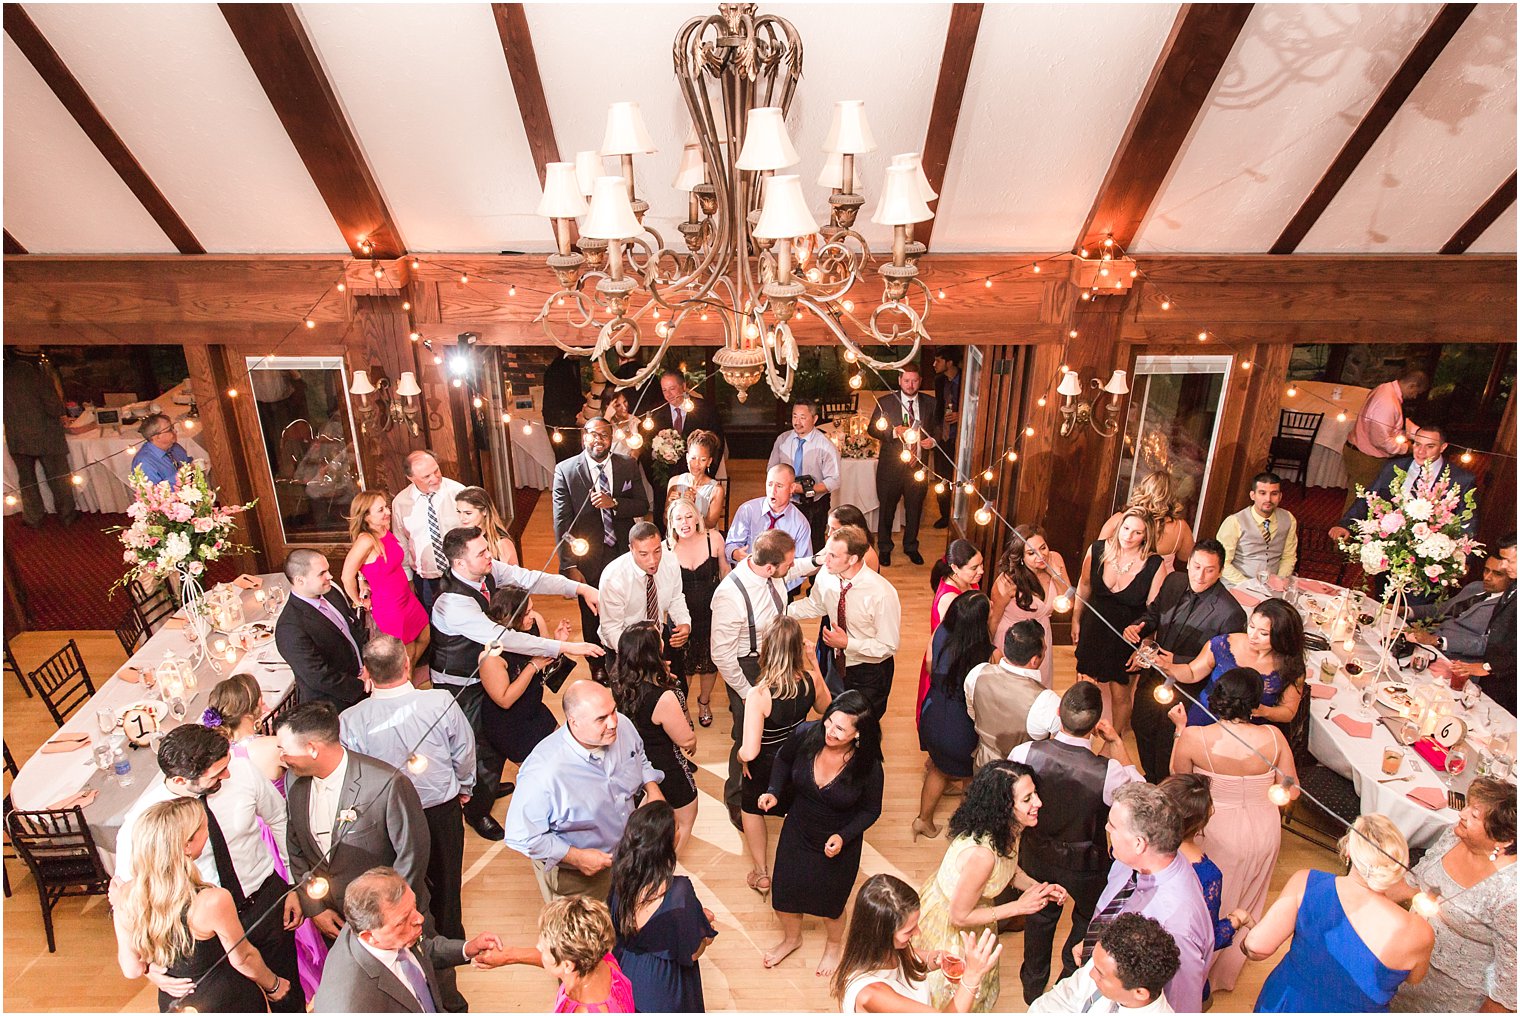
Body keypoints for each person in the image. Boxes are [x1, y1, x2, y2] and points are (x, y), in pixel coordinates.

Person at [112, 723, 303, 1011]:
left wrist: (291, 883)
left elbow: (279, 820)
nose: (227, 774)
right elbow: (130, 893)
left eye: (225, 766)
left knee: (287, 994)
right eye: (216, 774)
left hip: (265, 902)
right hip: (203, 936)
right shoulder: (144, 821)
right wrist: (150, 968)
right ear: (179, 781)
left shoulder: (242, 771)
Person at [430, 524, 601, 839]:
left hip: (493, 669)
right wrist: (565, 647)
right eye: (481, 552)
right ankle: (477, 810)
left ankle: (490, 786)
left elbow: (531, 578)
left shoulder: (487, 571)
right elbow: (505, 638)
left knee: (496, 738)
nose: (489, 556)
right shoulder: (452, 603)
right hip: (460, 685)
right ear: (459, 564)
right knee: (478, 747)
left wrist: (580, 589)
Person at [276, 701, 450, 1011]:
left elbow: (412, 855)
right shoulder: (294, 781)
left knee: (426, 992)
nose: (281, 757)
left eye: (285, 750)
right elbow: (297, 847)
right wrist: (314, 906)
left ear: (312, 748)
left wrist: (382, 919)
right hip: (336, 921)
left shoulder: (386, 784)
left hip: (394, 922)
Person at [1011, 682, 1144, 1003]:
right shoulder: (1109, 771)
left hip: (1035, 853)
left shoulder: (1024, 752)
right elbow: (1141, 794)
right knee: (1087, 920)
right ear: (1097, 723)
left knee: (1039, 917)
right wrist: (1116, 741)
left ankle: (1032, 985)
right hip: (1087, 864)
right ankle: (1067, 979)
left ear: (1058, 714)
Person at [1166, 668, 1296, 993]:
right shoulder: (1274, 738)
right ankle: (1222, 975)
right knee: (1248, 897)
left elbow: (1178, 777)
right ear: (1254, 703)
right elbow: (1292, 788)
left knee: (1208, 899)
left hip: (1215, 827)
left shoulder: (1196, 737)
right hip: (1264, 827)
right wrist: (1278, 792)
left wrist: (1179, 731)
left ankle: (1193, 974)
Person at [339, 635, 474, 942]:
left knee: (401, 882)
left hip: (387, 818)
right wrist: (465, 786)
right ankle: (450, 939)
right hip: (438, 808)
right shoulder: (439, 701)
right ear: (407, 663)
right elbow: (464, 751)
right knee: (447, 881)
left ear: (367, 673)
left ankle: (415, 938)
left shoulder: (350, 720)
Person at [205, 674, 330, 998]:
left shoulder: (220, 755)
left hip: (245, 840)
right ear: (251, 710)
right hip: (276, 837)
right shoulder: (270, 748)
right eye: (260, 699)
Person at [913, 760, 1063, 1011]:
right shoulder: (982, 856)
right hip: (951, 928)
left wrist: (1038, 888)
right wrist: (1019, 907)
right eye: (1027, 799)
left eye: (1034, 793)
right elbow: (959, 916)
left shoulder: (1006, 830)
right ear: (1004, 807)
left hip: (975, 914)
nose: (1038, 803)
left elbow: (1007, 869)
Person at [114, 798, 289, 1012]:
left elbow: (131, 969)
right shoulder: (212, 900)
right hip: (226, 999)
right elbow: (243, 957)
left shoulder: (125, 895)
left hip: (174, 1001)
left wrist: (152, 971)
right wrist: (274, 985)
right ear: (187, 845)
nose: (208, 832)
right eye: (204, 827)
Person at [1246, 815, 1433, 1013]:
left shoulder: (1307, 882)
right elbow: (1414, 978)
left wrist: (1246, 930)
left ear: (1348, 851)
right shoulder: (1420, 931)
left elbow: (1257, 947)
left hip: (1290, 1002)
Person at [759, 690, 885, 977]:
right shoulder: (807, 734)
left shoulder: (869, 767)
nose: (830, 730)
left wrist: (843, 836)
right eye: (829, 721)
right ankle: (792, 939)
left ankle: (833, 945)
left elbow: (871, 811)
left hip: (839, 841)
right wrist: (774, 791)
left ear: (858, 734)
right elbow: (782, 758)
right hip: (798, 830)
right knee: (784, 894)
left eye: (840, 728)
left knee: (831, 905)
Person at [504, 680, 664, 901]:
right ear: (574, 722)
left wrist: (653, 788)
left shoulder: (623, 727)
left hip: (628, 855)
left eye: (613, 711)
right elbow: (521, 836)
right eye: (601, 718)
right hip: (578, 877)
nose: (613, 723)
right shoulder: (542, 773)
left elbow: (640, 757)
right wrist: (576, 857)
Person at [1124, 539, 1247, 781]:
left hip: (1188, 688)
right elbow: (1154, 614)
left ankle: (1163, 783)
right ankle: (1151, 776)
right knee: (1141, 724)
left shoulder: (1231, 613)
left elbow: (1224, 662)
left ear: (1220, 571)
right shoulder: (1174, 581)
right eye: (1196, 566)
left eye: (1209, 569)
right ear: (1189, 562)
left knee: (1167, 740)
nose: (1200, 575)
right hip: (1154, 674)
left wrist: (1179, 660)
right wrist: (1139, 627)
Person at [1389, 777, 1516, 1012]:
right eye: (1467, 805)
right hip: (1403, 964)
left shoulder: (1511, 895)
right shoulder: (1454, 835)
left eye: (1475, 815)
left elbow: (1508, 990)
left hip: (1447, 999)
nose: (1462, 814)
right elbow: (1414, 881)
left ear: (1502, 839)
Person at [1085, 783, 1213, 1014]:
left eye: (1113, 825)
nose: (1106, 828)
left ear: (1139, 843)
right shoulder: (1134, 862)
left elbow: (1180, 1003)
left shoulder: (1175, 925)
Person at [311, 867, 501, 1013]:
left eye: (415, 906)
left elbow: (422, 949)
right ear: (370, 937)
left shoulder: (378, 927)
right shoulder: (350, 1005)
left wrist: (468, 948)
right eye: (403, 920)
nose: (420, 919)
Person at [738, 615, 831, 898]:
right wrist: (814, 665)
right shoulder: (810, 680)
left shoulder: (760, 693)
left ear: (767, 649)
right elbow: (827, 708)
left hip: (766, 764)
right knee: (796, 807)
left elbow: (750, 749)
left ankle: (761, 873)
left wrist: (742, 758)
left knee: (752, 810)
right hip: (799, 757)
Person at [711, 528, 798, 828]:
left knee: (774, 728)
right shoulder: (730, 596)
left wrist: (822, 559)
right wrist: (749, 694)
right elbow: (721, 655)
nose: (792, 566)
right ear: (770, 567)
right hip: (745, 667)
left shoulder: (769, 571)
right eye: (788, 562)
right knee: (745, 733)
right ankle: (735, 796)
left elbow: (796, 566)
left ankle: (772, 783)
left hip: (773, 658)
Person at [552, 416, 651, 668]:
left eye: (604, 435)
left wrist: (614, 502)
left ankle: (629, 662)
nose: (598, 440)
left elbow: (642, 504)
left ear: (611, 438)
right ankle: (597, 668)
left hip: (623, 552)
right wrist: (568, 565)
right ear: (584, 436)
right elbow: (562, 522)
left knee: (627, 608)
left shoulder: (627, 464)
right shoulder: (565, 470)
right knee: (592, 614)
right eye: (593, 434)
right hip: (588, 555)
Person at [833, 873, 1003, 1014]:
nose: (918, 933)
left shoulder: (882, 950)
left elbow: (905, 960)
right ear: (882, 935)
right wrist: (972, 976)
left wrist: (933, 958)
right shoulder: (872, 995)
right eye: (909, 930)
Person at [608, 801, 718, 1012]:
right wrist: (705, 933)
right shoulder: (679, 891)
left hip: (624, 973)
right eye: (677, 828)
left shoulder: (619, 882)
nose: (680, 831)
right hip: (663, 986)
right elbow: (692, 953)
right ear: (666, 844)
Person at [788, 525, 901, 719]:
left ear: (853, 559)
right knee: (835, 719)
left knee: (863, 729)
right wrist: (780, 611)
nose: (825, 560)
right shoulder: (826, 573)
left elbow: (888, 646)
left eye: (833, 555)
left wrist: (848, 643)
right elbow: (817, 604)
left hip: (870, 673)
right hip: (836, 664)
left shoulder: (882, 593)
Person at [1073, 507, 1166, 736]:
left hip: (1127, 637)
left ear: (1146, 536)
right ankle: (1078, 734)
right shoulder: (1097, 550)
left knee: (1121, 695)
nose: (1128, 536)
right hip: (1093, 629)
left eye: (1137, 532)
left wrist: (1144, 649)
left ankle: (1113, 742)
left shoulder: (1155, 565)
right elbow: (1084, 586)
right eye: (1126, 528)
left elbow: (1154, 612)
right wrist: (1075, 619)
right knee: (1084, 685)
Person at [1159, 773, 1254, 997]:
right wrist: (1237, 919)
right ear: (1203, 819)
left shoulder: (1138, 849)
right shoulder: (1207, 875)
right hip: (1175, 977)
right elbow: (1205, 940)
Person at [609, 623, 699, 851]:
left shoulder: (618, 683)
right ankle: (667, 867)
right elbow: (685, 739)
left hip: (632, 762)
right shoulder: (664, 697)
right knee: (685, 819)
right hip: (666, 767)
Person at [914, 592, 992, 840]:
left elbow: (929, 666)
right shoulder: (986, 653)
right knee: (970, 776)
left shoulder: (940, 633)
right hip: (960, 725)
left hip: (933, 710)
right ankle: (961, 828)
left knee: (938, 767)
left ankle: (922, 820)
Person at [478, 586, 573, 784]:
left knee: (566, 752)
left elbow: (545, 665)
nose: (532, 615)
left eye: (531, 609)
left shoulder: (535, 622)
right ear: (511, 616)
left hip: (535, 708)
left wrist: (557, 644)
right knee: (541, 775)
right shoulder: (491, 656)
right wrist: (532, 666)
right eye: (527, 612)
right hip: (509, 725)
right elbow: (504, 700)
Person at [1163, 598, 1306, 729]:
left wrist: (1264, 711)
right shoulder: (1224, 644)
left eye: (1263, 633)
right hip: (1205, 718)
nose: (1253, 636)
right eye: (1251, 626)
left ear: (1282, 636)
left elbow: (1288, 711)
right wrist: (1166, 666)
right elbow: (1192, 673)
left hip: (1247, 732)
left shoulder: (1291, 666)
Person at [1332, 422, 1480, 547]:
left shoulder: (1462, 479)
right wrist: (1345, 524)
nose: (1421, 452)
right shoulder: (1393, 467)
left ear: (1442, 447)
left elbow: (1468, 521)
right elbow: (1369, 498)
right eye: (1417, 444)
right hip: (1390, 544)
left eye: (1430, 446)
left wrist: (1464, 557)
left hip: (1431, 550)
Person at [341, 490, 430, 674]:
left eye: (386, 507)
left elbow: (365, 568)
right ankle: (406, 687)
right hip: (391, 607)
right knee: (407, 654)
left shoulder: (384, 531)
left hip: (407, 599)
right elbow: (345, 575)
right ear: (366, 516)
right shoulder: (365, 541)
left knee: (425, 635)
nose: (387, 512)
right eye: (380, 510)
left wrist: (362, 579)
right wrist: (358, 600)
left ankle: (407, 676)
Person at [273, 548, 369, 715]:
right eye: (322, 573)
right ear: (300, 580)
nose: (330, 576)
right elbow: (318, 676)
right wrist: (360, 685)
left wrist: (368, 665)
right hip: (333, 706)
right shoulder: (290, 627)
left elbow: (354, 628)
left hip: (364, 683)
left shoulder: (330, 592)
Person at [1026, 913, 1180, 1015]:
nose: (1091, 973)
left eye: (1100, 974)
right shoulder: (1104, 963)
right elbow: (1059, 999)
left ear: (1139, 993)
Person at [868, 363, 941, 566]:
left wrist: (933, 441)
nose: (910, 384)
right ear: (900, 381)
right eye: (906, 380)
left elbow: (938, 428)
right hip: (890, 468)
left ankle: (911, 546)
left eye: (914, 380)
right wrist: (892, 432)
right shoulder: (886, 402)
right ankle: (884, 547)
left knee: (915, 509)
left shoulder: (930, 403)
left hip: (916, 468)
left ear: (920, 381)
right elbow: (872, 429)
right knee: (887, 510)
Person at [963, 621, 1061, 769]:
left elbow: (973, 713)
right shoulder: (1046, 700)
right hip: (1021, 776)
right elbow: (1068, 744)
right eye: (1045, 650)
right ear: (1034, 660)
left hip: (983, 765)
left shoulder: (978, 673)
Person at [666, 497, 729, 728]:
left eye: (689, 516)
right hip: (681, 620)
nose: (685, 522)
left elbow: (725, 572)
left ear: (698, 518)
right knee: (683, 666)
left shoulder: (714, 539)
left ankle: (704, 702)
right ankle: (683, 708)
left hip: (711, 615)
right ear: (671, 524)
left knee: (710, 663)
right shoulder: (666, 550)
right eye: (679, 518)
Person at [987, 525, 1072, 688]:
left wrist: (1055, 574)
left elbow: (1069, 601)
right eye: (1031, 553)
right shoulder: (1008, 581)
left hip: (1041, 637)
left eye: (1043, 548)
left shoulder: (1055, 559)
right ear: (1020, 557)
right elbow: (994, 620)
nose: (1041, 556)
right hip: (1013, 640)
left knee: (1038, 688)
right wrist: (990, 652)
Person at [2, 347, 78, 526]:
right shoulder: (38, 377)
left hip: (16, 437)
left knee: (27, 481)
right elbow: (54, 407)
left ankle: (33, 517)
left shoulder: (4, 376)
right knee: (58, 478)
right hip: (46, 435)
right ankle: (67, 516)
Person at [642, 369, 724, 530]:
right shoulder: (655, 412)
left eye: (672, 388)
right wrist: (656, 479)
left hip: (698, 476)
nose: (668, 394)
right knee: (665, 523)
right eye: (664, 390)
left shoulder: (705, 409)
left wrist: (706, 474)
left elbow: (717, 445)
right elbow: (645, 448)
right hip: (665, 478)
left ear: (684, 386)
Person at [597, 521, 692, 658]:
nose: (653, 560)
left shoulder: (670, 561)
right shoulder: (613, 578)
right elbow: (611, 629)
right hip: (623, 648)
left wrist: (684, 622)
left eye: (657, 551)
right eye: (644, 554)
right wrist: (642, 658)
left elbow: (675, 598)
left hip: (658, 639)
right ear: (631, 549)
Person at [916, 540, 985, 725]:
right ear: (955, 567)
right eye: (974, 567)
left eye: (981, 564)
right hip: (950, 660)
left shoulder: (966, 582)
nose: (981, 571)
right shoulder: (950, 598)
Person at [390, 450, 467, 612]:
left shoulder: (458, 492)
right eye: (426, 476)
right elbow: (402, 544)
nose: (435, 478)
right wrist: (409, 581)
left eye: (436, 470)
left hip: (462, 574)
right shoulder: (400, 503)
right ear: (411, 478)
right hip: (426, 580)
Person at [1341, 368, 1429, 507]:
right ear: (1412, 385)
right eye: (1416, 392)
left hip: (1359, 451)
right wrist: (1407, 448)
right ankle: (1346, 528)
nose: (1414, 396)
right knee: (1358, 501)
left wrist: (1418, 433)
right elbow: (1380, 440)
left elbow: (1393, 425)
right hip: (1365, 458)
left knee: (1360, 497)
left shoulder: (1385, 388)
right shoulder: (1387, 402)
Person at [1405, 550, 1514, 659]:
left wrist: (1438, 641)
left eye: (1498, 574)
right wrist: (1406, 611)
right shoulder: (1475, 587)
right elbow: (1442, 609)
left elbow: (1486, 644)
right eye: (1486, 570)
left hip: (1457, 659)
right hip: (1429, 644)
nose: (1487, 577)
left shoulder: (1509, 606)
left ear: (1512, 578)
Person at [537, 895, 635, 1013]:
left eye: (543, 947)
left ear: (568, 965)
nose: (538, 947)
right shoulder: (602, 959)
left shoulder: (582, 1010)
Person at [726, 463, 814, 589]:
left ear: (792, 488)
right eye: (770, 484)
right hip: (747, 582)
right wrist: (735, 553)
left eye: (779, 486)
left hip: (783, 587)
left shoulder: (800, 523)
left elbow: (802, 566)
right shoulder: (748, 510)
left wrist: (777, 587)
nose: (773, 491)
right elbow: (730, 545)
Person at [768, 400, 842, 548]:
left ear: (814, 419)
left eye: (803, 417)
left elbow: (834, 480)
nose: (797, 422)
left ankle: (813, 572)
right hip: (786, 501)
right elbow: (771, 468)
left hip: (814, 504)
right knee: (784, 542)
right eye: (794, 416)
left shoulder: (825, 445)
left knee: (813, 544)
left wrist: (805, 490)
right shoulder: (783, 440)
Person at [1460, 533, 1517, 713]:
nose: (1504, 565)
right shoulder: (1515, 583)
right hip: (1494, 678)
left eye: (1509, 560)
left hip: (1511, 684)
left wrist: (1488, 667)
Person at [1098, 472, 1194, 574]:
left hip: (1122, 583)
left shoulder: (1120, 519)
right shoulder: (1180, 527)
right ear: (1172, 495)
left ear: (1142, 489)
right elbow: (1186, 556)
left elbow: (1098, 552)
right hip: (1162, 585)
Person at [1216, 472, 1298, 586]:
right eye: (1262, 493)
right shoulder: (1234, 522)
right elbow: (1222, 563)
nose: (1268, 499)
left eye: (1274, 494)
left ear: (1280, 496)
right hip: (1237, 585)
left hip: (1274, 586)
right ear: (1252, 495)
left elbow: (1289, 556)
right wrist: (1248, 585)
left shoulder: (1288, 518)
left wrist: (1280, 579)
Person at [666, 429, 726, 532]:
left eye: (702, 460)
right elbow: (666, 521)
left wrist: (693, 507)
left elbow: (711, 524)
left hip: (704, 539)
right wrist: (670, 506)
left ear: (709, 461)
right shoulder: (674, 482)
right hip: (680, 539)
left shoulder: (716, 490)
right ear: (687, 457)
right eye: (693, 458)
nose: (696, 464)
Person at [930, 348, 963, 529]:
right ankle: (945, 515)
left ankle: (958, 514)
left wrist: (961, 414)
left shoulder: (967, 379)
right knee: (941, 479)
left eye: (938, 361)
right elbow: (939, 407)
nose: (934, 364)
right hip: (942, 436)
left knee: (959, 478)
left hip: (960, 438)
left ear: (949, 363)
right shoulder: (940, 381)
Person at [455, 485, 521, 567]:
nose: (462, 518)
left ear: (484, 511)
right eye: (459, 512)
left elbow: (514, 577)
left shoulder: (501, 543)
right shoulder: (459, 539)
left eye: (468, 513)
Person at [130, 413, 195, 487]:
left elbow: (188, 464)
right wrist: (179, 477)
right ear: (157, 437)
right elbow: (153, 494)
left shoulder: (176, 448)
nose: (175, 431)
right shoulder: (145, 463)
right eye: (170, 429)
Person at [544, 352, 587, 462]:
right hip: (561, 423)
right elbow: (559, 400)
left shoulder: (569, 364)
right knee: (568, 458)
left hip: (566, 419)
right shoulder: (558, 369)